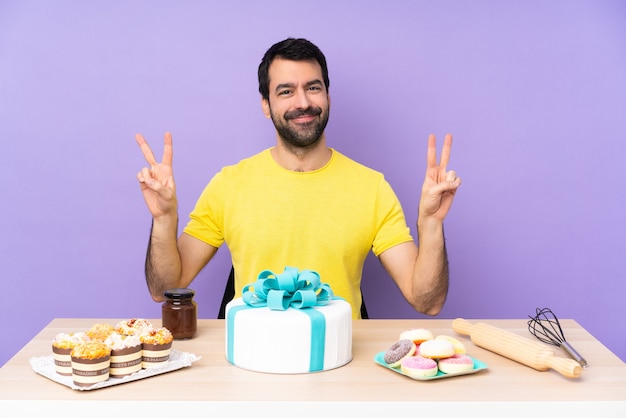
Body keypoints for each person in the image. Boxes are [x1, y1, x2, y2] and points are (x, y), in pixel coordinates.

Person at [135, 37, 461, 319]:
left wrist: (430, 223)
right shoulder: (229, 185)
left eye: (313, 87)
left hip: (337, 365)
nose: (303, 102)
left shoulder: (371, 188)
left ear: (328, 97)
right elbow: (164, 287)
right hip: (251, 366)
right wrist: (164, 218)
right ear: (266, 105)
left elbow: (427, 302)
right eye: (286, 91)